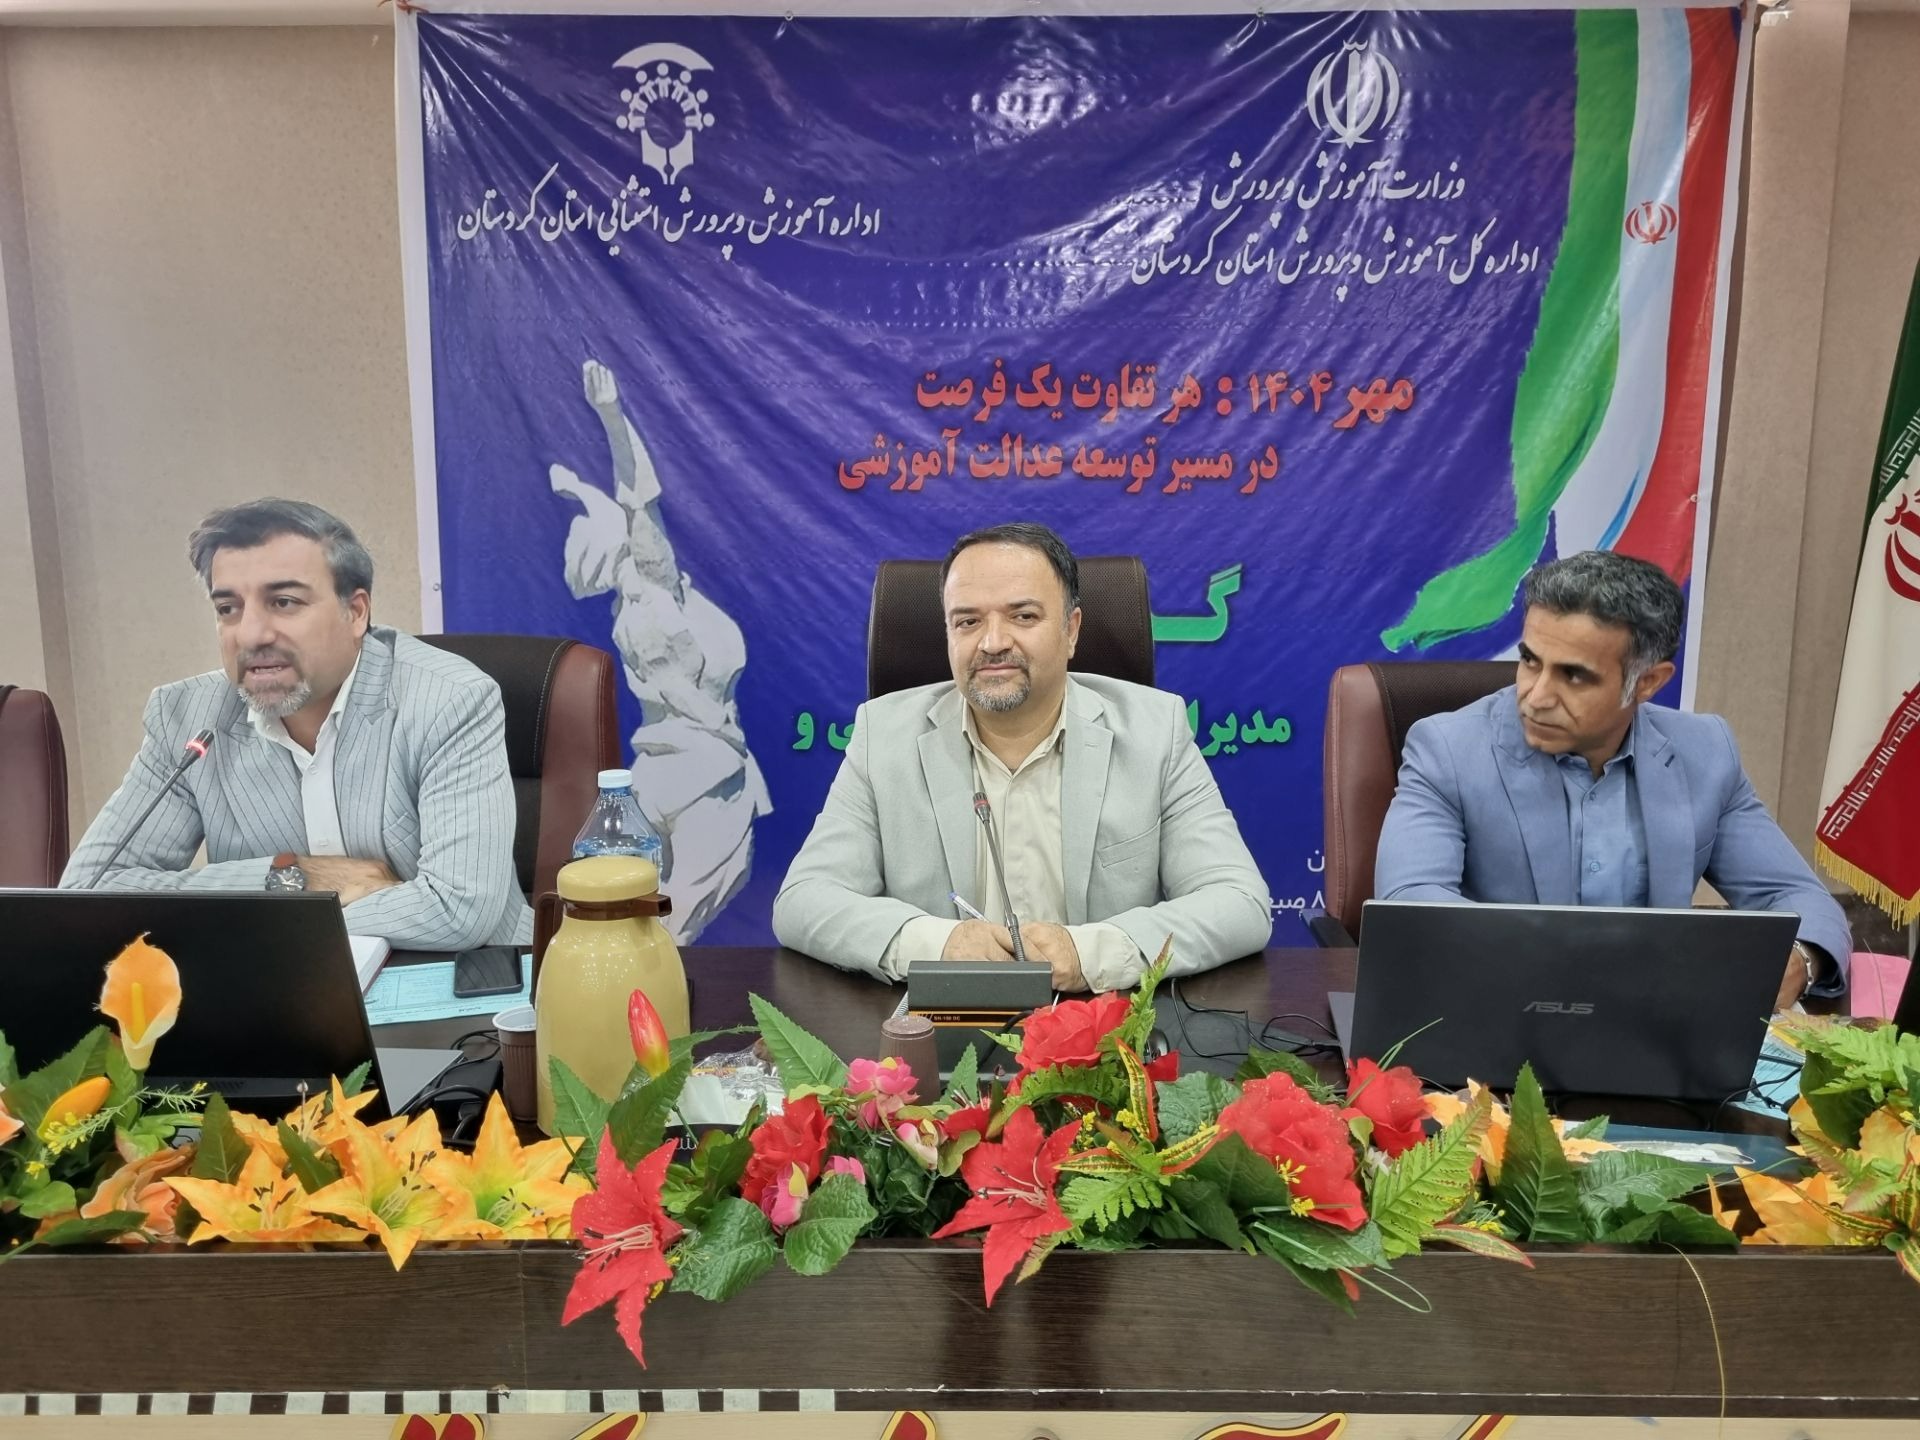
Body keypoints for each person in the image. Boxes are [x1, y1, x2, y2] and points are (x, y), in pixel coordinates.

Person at [772, 522, 1272, 992]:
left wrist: (1088, 953)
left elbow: (1239, 903)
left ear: (1071, 630)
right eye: (968, 621)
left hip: (1099, 1022)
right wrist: (937, 945)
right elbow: (803, 901)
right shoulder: (883, 736)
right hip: (938, 1023)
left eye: (1023, 616)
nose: (993, 643)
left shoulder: (1155, 730)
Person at [1375, 549, 1852, 1008]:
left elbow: (1797, 897)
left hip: (1656, 1032)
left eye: (1574, 676)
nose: (1536, 696)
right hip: (1500, 1016)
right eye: (1530, 661)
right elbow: (1410, 904)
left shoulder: (1705, 752)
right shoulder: (1447, 749)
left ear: (1647, 682)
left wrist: (1800, 959)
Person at [61, 499, 530, 950]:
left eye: (283, 602)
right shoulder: (186, 718)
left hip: (460, 984)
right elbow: (88, 893)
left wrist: (248, 920)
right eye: (228, 609)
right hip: (283, 986)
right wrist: (293, 876)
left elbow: (459, 909)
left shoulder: (448, 699)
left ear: (356, 612)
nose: (251, 634)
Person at [548, 357, 771, 943]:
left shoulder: (641, 599)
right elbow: (638, 504)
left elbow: (635, 504)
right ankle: (640, 990)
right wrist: (610, 419)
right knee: (656, 926)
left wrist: (608, 427)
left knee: (659, 925)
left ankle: (645, 986)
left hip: (680, 772)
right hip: (690, 773)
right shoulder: (644, 599)